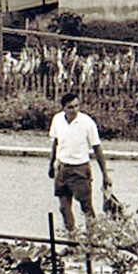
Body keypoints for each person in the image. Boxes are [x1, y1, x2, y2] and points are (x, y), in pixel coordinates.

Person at [48, 92, 111, 233]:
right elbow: (55, 143)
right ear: (63, 108)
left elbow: (97, 148)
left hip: (80, 170)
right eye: (70, 107)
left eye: (77, 106)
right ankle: (72, 237)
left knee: (86, 207)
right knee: (64, 207)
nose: (74, 110)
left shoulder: (87, 122)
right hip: (62, 168)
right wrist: (51, 164)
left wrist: (105, 174)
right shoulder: (57, 120)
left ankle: (92, 238)